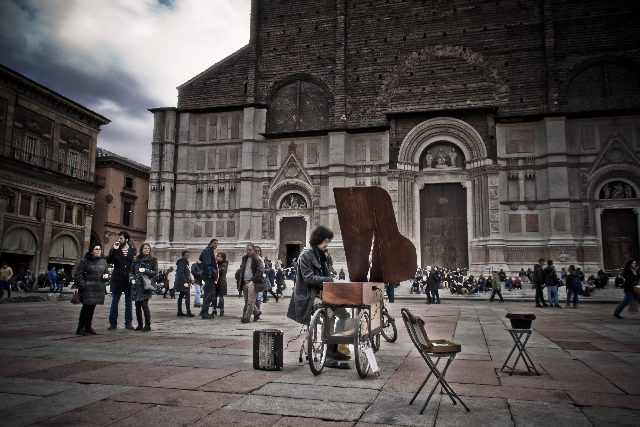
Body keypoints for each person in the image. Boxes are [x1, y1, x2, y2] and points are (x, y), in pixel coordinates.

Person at [287, 225, 350, 367]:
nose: (327, 244)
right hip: (308, 296)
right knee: (329, 316)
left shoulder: (320, 254)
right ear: (319, 239)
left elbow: (326, 275)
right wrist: (331, 280)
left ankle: (334, 349)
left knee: (344, 315)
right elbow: (309, 278)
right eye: (326, 241)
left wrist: (335, 281)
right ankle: (326, 355)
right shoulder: (306, 255)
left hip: (322, 293)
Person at [73, 243, 109, 336]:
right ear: (91, 251)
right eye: (96, 249)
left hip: (98, 288)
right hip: (88, 288)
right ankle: (80, 328)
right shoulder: (84, 261)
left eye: (100, 249)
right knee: (86, 308)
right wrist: (83, 285)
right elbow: (78, 274)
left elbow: (107, 273)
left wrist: (106, 276)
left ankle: (88, 327)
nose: (99, 251)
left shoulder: (103, 262)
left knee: (92, 307)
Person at [106, 231, 135, 330]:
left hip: (128, 280)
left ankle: (128, 323)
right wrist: (114, 249)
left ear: (126, 239)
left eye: (121, 238)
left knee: (129, 303)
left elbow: (134, 265)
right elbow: (109, 261)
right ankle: (113, 323)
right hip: (117, 279)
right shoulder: (115, 249)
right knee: (115, 301)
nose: (119, 240)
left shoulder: (133, 250)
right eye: (118, 238)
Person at [131, 243, 157, 331]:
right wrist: (131, 279)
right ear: (141, 249)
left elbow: (155, 273)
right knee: (137, 306)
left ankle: (148, 325)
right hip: (136, 285)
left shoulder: (153, 260)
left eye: (148, 248)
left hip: (146, 286)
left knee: (145, 305)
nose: (147, 250)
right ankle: (139, 324)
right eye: (145, 248)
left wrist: (145, 270)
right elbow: (131, 271)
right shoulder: (136, 260)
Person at [238, 243, 265, 323]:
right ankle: (257, 313)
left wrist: (253, 280)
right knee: (247, 301)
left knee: (251, 301)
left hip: (252, 282)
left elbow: (260, 271)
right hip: (245, 282)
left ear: (253, 250)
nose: (248, 251)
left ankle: (247, 318)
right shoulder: (244, 258)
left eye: (250, 250)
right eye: (247, 250)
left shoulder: (257, 259)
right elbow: (242, 269)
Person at [199, 239, 219, 319]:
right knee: (211, 293)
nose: (216, 245)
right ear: (210, 243)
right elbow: (206, 264)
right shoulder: (208, 251)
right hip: (209, 276)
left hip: (208, 275)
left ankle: (204, 312)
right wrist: (210, 274)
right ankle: (204, 311)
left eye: (217, 244)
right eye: (214, 243)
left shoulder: (208, 251)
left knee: (207, 293)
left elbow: (200, 261)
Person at [175, 250, 194, 317]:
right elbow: (181, 273)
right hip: (183, 283)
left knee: (181, 297)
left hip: (184, 282)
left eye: (188, 255)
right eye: (186, 255)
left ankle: (179, 312)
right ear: (183, 255)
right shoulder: (181, 262)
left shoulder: (185, 262)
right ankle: (188, 312)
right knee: (187, 297)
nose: (187, 256)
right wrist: (185, 282)